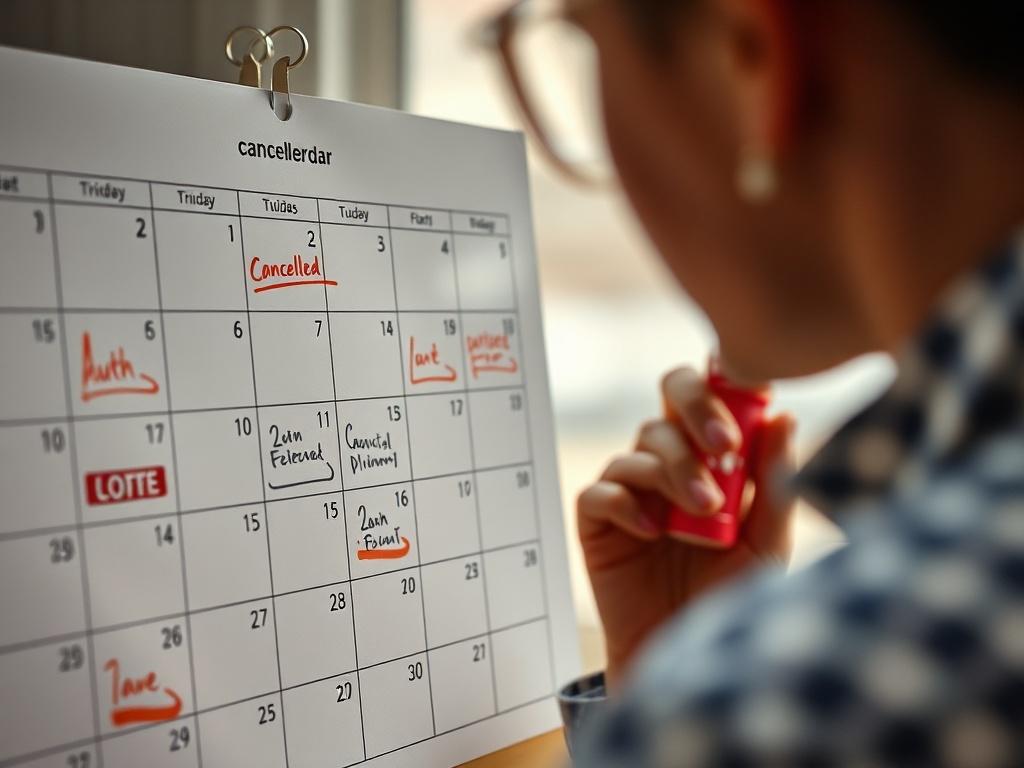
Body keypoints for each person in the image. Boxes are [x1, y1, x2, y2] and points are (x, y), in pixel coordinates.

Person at [478, 1, 1024, 765]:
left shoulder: (802, 701)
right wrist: (691, 664)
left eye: (586, 47)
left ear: (753, 57)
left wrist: (706, 700)